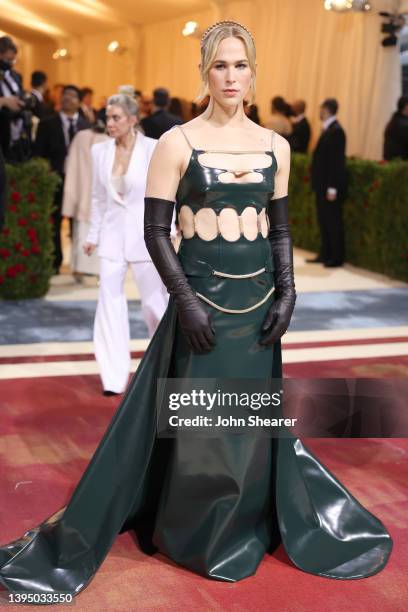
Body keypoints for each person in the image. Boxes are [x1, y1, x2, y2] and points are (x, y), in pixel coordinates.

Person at [0, 21, 392, 599]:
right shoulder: (179, 143)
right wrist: (184, 302)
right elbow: (156, 231)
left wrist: (288, 293)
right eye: (220, 66)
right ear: (205, 72)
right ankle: (196, 532)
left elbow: (280, 231)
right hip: (202, 310)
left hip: (258, 312)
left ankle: (249, 521)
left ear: (253, 72)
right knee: (203, 427)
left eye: (240, 66)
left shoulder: (276, 146)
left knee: (250, 423)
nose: (231, 76)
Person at [83, 94, 169, 395]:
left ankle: (165, 369)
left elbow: (164, 193)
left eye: (116, 117)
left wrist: (168, 230)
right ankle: (113, 377)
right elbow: (98, 198)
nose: (110, 123)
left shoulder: (153, 148)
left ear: (133, 119)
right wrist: (93, 235)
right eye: (107, 117)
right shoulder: (99, 152)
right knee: (108, 303)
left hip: (146, 236)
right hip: (110, 238)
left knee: (153, 304)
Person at [34, 85, 90, 273]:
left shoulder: (86, 126)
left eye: (73, 96)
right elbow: (38, 154)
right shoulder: (47, 124)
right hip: (55, 179)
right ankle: (55, 261)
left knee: (80, 222)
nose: (68, 98)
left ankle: (79, 264)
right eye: (65, 95)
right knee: (54, 220)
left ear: (79, 102)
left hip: (80, 183)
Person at [61, 123, 109, 281]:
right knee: (89, 230)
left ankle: (81, 270)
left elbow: (70, 166)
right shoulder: (107, 139)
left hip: (85, 192)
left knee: (85, 231)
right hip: (94, 193)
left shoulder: (81, 137)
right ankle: (93, 271)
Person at [309, 98, 347, 267]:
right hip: (321, 185)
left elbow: (336, 162)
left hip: (329, 187)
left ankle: (336, 257)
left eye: (320, 108)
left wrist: (332, 187)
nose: (319, 111)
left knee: (332, 221)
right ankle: (325, 254)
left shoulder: (337, 131)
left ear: (326, 109)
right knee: (324, 220)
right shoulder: (328, 129)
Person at [0, 36, 31, 162]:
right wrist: (4, 101)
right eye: (7, 59)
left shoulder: (16, 76)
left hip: (16, 127)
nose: (10, 63)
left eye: (12, 60)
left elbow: (20, 93)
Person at [383, 95, 408, 160]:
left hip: (393, 163)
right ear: (406, 106)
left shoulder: (395, 120)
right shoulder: (402, 124)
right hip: (400, 165)